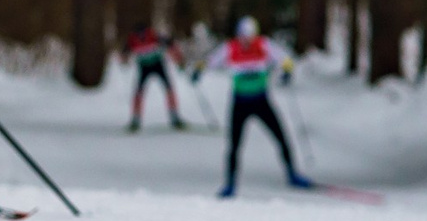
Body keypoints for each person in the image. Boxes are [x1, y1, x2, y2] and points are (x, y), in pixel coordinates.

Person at [194, 16, 311, 197]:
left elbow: (284, 58)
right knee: (234, 144)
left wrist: (287, 70)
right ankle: (230, 184)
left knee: (281, 136)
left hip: (261, 101)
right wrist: (198, 70)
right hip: (240, 102)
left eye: (249, 36)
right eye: (242, 36)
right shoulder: (230, 48)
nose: (246, 40)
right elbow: (211, 60)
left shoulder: (263, 45)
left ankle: (293, 174)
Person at [121, 23, 188, 131]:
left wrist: (179, 59)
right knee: (138, 92)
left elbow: (170, 44)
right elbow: (125, 52)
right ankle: (135, 119)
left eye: (143, 34)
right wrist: (124, 59)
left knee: (169, 89)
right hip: (144, 68)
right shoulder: (132, 40)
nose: (141, 36)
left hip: (158, 65)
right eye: (139, 35)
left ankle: (175, 117)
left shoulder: (154, 36)